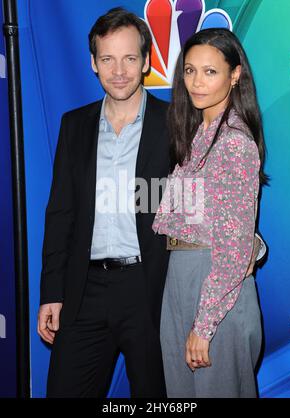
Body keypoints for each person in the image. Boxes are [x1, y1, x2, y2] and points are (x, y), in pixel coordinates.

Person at [37, 7, 171, 398]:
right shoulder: (73, 125)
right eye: (108, 59)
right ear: (93, 63)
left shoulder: (177, 122)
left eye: (130, 58)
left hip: (151, 290)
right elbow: (60, 214)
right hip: (85, 290)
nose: (119, 71)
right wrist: (52, 292)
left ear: (146, 61)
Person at [152, 28, 267, 398]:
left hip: (214, 287)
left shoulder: (233, 140)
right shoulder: (198, 132)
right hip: (182, 278)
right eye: (189, 70)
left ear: (235, 75)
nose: (196, 82)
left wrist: (205, 326)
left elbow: (232, 249)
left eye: (210, 71)